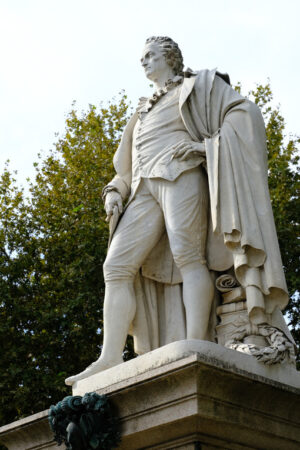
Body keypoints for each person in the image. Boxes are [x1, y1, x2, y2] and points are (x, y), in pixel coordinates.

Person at [66, 36, 289, 386]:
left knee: (189, 259)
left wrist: (204, 148)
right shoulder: (141, 109)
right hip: (142, 187)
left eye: (150, 55)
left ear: (170, 57)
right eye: (141, 57)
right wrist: (115, 189)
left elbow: (244, 114)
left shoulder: (198, 85)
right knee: (116, 266)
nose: (143, 62)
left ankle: (197, 344)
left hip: (180, 174)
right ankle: (109, 357)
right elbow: (127, 167)